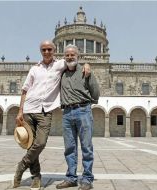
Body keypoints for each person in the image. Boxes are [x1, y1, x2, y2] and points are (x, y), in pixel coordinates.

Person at [13, 40, 91, 190]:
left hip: (46, 111)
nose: (47, 52)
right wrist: (20, 110)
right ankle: (36, 177)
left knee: (40, 143)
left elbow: (73, 59)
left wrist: (87, 64)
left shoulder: (60, 64)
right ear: (41, 51)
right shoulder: (34, 69)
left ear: (55, 50)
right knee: (30, 144)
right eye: (44, 50)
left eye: (49, 49)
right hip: (29, 108)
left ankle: (22, 165)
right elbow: (24, 90)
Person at [56, 44, 100, 190]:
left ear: (78, 56)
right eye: (67, 55)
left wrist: (86, 104)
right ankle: (71, 178)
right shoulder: (60, 72)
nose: (69, 57)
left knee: (86, 146)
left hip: (83, 110)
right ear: (64, 57)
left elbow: (95, 92)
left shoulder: (85, 71)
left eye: (72, 54)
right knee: (69, 147)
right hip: (67, 112)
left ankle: (87, 179)